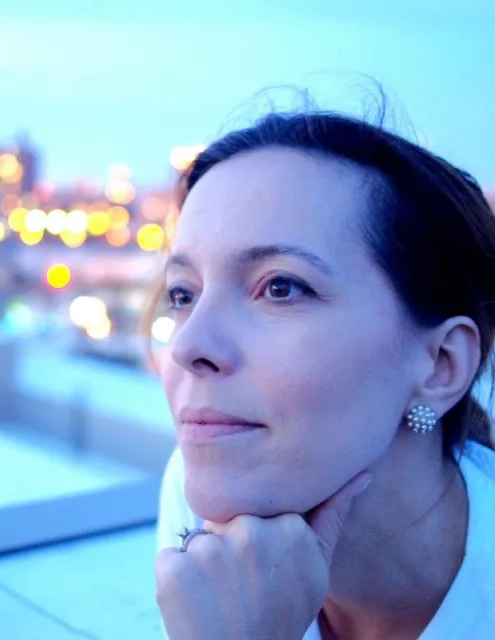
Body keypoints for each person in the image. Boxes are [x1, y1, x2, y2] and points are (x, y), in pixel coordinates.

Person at [152, 106, 495, 639]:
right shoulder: (205, 484)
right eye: (183, 294)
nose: (189, 345)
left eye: (281, 287)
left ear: (441, 364)